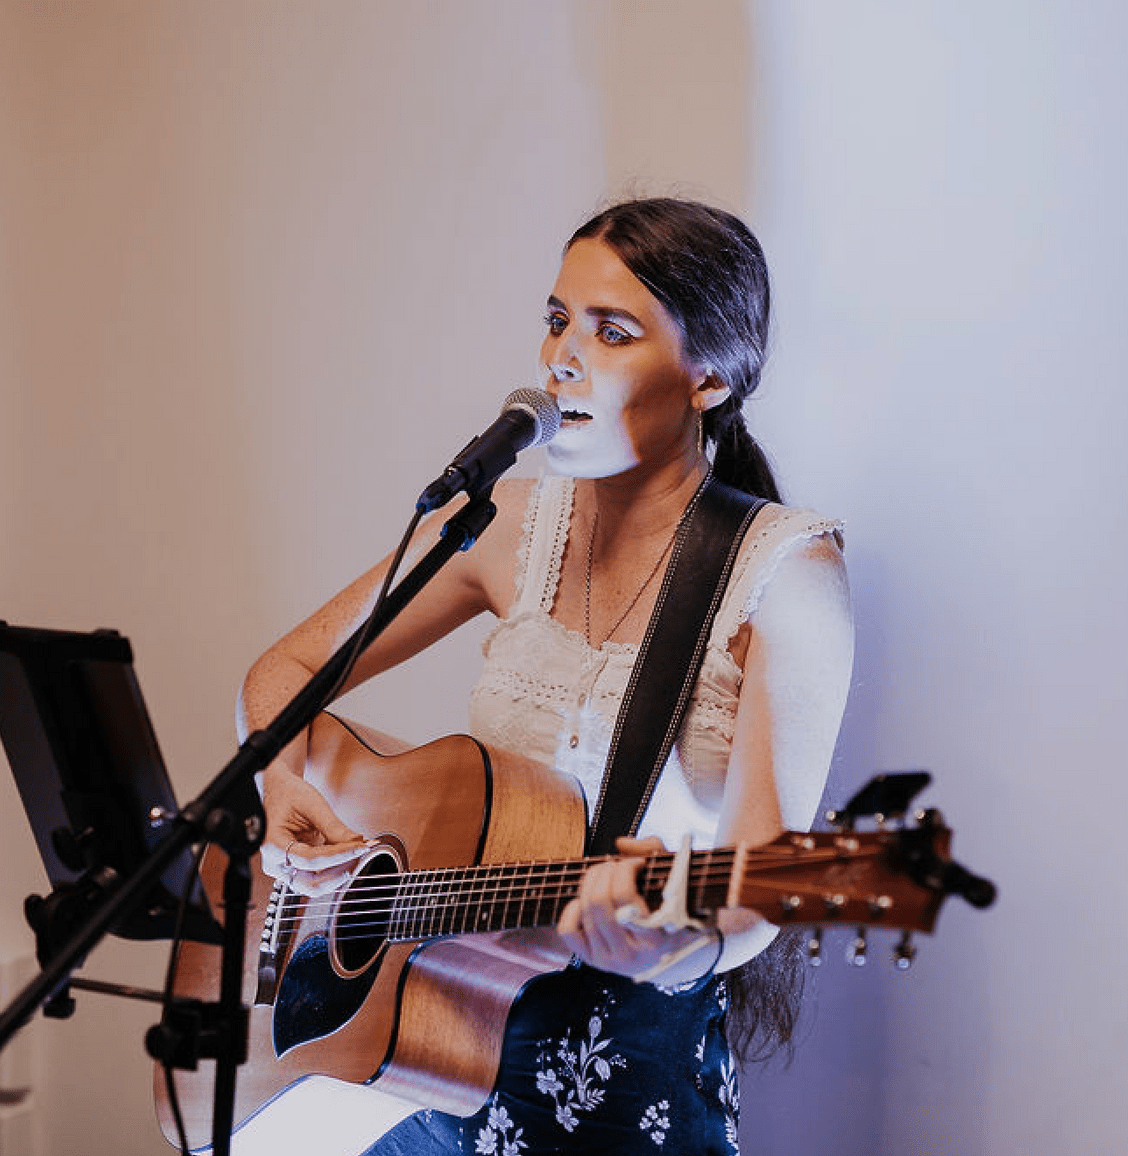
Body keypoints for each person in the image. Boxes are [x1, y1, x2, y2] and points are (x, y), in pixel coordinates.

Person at [237, 197, 854, 1155]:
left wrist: (678, 942)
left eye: (612, 332)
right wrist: (285, 791)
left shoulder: (784, 575)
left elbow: (761, 890)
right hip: (424, 1075)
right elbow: (286, 673)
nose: (562, 357)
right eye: (557, 318)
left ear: (709, 379)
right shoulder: (508, 527)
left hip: (620, 1094)